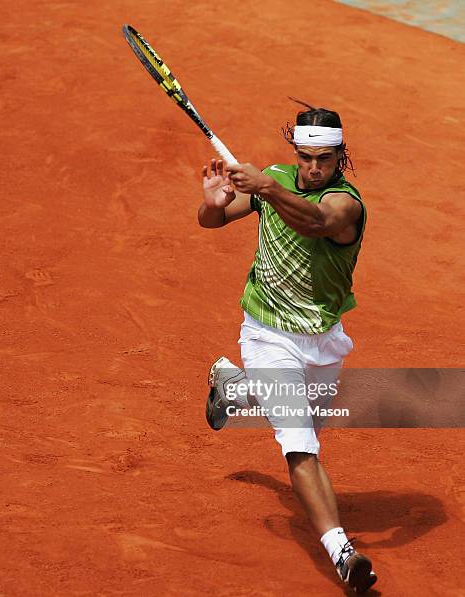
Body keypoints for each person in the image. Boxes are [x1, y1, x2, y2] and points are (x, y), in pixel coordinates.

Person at [198, 100, 377, 594]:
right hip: (267, 334)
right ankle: (342, 551)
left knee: (298, 420)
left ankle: (234, 387)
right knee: (301, 447)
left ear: (340, 157)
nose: (314, 168)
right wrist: (215, 204)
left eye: (324, 159)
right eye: (305, 157)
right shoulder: (274, 179)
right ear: (295, 153)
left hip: (323, 341)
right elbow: (211, 221)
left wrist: (269, 189)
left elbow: (317, 222)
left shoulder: (347, 204)